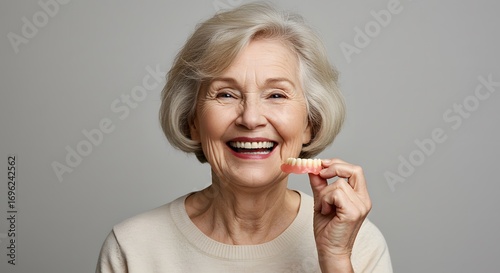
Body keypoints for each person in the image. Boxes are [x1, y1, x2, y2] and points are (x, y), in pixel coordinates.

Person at [96, 3, 392, 272]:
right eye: (226, 94)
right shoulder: (132, 249)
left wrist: (335, 258)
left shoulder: (358, 244)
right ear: (192, 121)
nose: (251, 118)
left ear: (310, 124)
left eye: (276, 94)